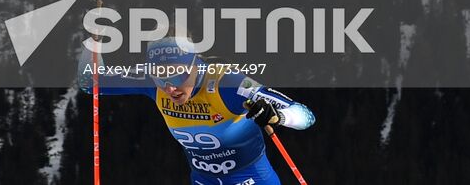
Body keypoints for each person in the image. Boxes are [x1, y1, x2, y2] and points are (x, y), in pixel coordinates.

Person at [78, 37, 315, 185]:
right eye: (160, 78)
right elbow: (90, 82)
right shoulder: (154, 84)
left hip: (251, 178)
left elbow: (305, 116)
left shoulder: (228, 83)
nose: (170, 87)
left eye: (178, 74)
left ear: (195, 64)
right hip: (203, 180)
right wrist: (91, 43)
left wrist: (278, 116)